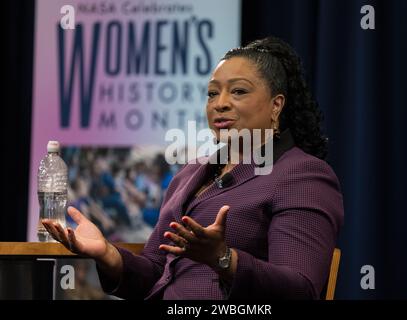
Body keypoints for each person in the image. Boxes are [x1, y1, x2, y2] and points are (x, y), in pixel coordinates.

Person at [43, 37, 344, 300]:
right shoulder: (191, 173)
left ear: (276, 106)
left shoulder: (302, 175)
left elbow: (301, 290)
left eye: (238, 91)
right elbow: (157, 273)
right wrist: (108, 254)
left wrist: (223, 258)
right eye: (213, 93)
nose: (220, 104)